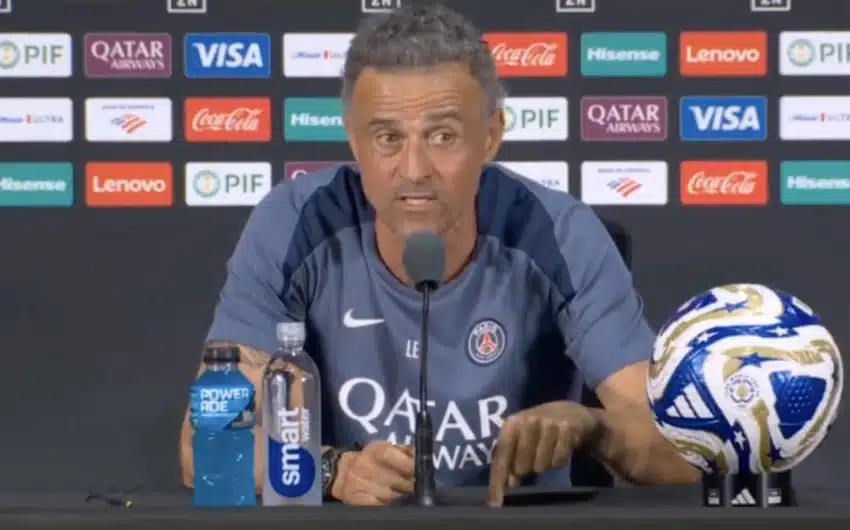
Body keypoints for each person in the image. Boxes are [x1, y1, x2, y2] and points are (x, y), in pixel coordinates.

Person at [179, 3, 699, 507]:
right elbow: (205, 446)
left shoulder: (559, 234)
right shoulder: (294, 224)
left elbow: (684, 450)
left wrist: (594, 427)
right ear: (354, 142)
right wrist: (334, 470)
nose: (414, 169)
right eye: (388, 137)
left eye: (443, 136)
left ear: (491, 136)